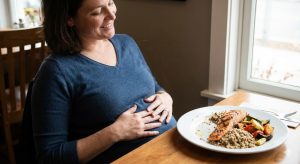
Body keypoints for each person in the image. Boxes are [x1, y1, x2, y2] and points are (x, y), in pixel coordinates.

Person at [30, 0, 176, 163]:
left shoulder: (127, 43)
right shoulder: (56, 71)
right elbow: (49, 156)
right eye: (98, 11)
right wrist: (114, 133)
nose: (112, 15)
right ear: (69, 19)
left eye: (111, 2)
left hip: (171, 150)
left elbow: (153, 86)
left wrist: (165, 96)